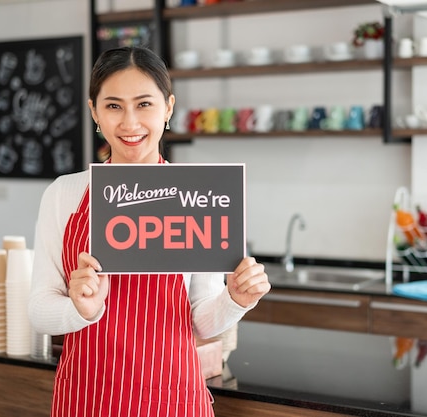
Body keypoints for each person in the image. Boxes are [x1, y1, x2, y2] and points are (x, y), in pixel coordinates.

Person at [28, 46, 271, 417]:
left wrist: (235, 300)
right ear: (94, 111)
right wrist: (80, 310)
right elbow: (39, 310)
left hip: (173, 398)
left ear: (168, 108)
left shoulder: (198, 194)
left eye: (144, 104)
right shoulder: (64, 194)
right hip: (88, 396)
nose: (129, 123)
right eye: (113, 106)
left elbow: (200, 320)